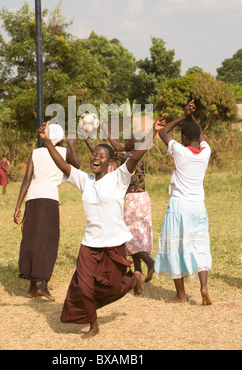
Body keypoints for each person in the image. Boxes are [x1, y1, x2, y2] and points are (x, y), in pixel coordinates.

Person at [38, 115, 165, 339]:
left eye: (101, 155)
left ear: (109, 162)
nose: (95, 157)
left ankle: (134, 278)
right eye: (94, 154)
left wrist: (153, 132)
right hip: (89, 244)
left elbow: (136, 155)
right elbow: (62, 164)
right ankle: (93, 325)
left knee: (112, 288)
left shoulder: (119, 178)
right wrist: (47, 141)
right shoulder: (83, 179)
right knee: (84, 287)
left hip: (114, 243)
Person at [83, 123, 161, 282]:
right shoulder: (137, 157)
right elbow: (116, 148)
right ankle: (138, 271)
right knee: (136, 235)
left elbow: (112, 149)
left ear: (131, 145)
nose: (124, 141)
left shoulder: (128, 158)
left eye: (128, 140)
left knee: (129, 237)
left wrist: (99, 134)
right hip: (143, 198)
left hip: (133, 199)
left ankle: (151, 263)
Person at [154, 100, 212, 305]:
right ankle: (203, 287)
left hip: (179, 205)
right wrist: (192, 118)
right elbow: (201, 134)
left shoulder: (180, 151)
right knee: (200, 244)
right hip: (198, 205)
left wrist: (183, 116)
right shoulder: (206, 152)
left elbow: (162, 132)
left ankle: (181, 295)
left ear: (184, 138)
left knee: (175, 246)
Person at [13, 124, 80, 301]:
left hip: (32, 199)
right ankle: (43, 285)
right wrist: (72, 145)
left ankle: (31, 286)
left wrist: (18, 206)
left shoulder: (35, 153)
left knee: (31, 239)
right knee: (48, 241)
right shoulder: (63, 151)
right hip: (49, 199)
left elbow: (27, 179)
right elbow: (77, 165)